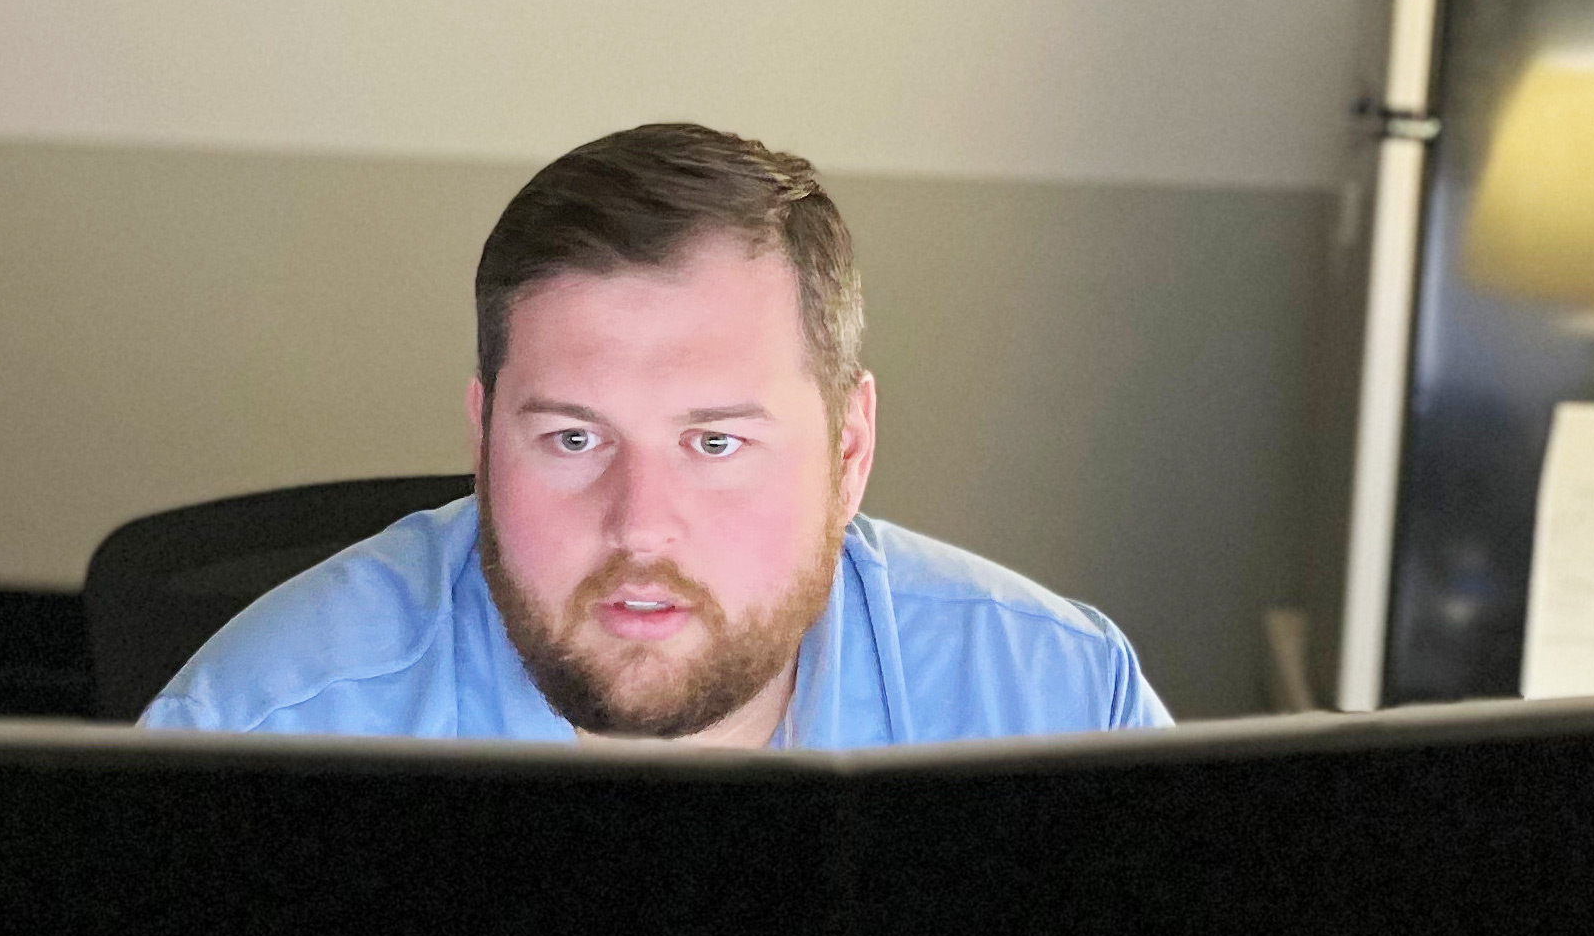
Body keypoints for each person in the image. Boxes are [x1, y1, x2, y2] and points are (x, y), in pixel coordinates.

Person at [142, 123, 1172, 745]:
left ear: (848, 452)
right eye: (573, 441)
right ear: (484, 440)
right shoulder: (263, 728)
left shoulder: (1056, 705)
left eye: (715, 443)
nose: (640, 529)